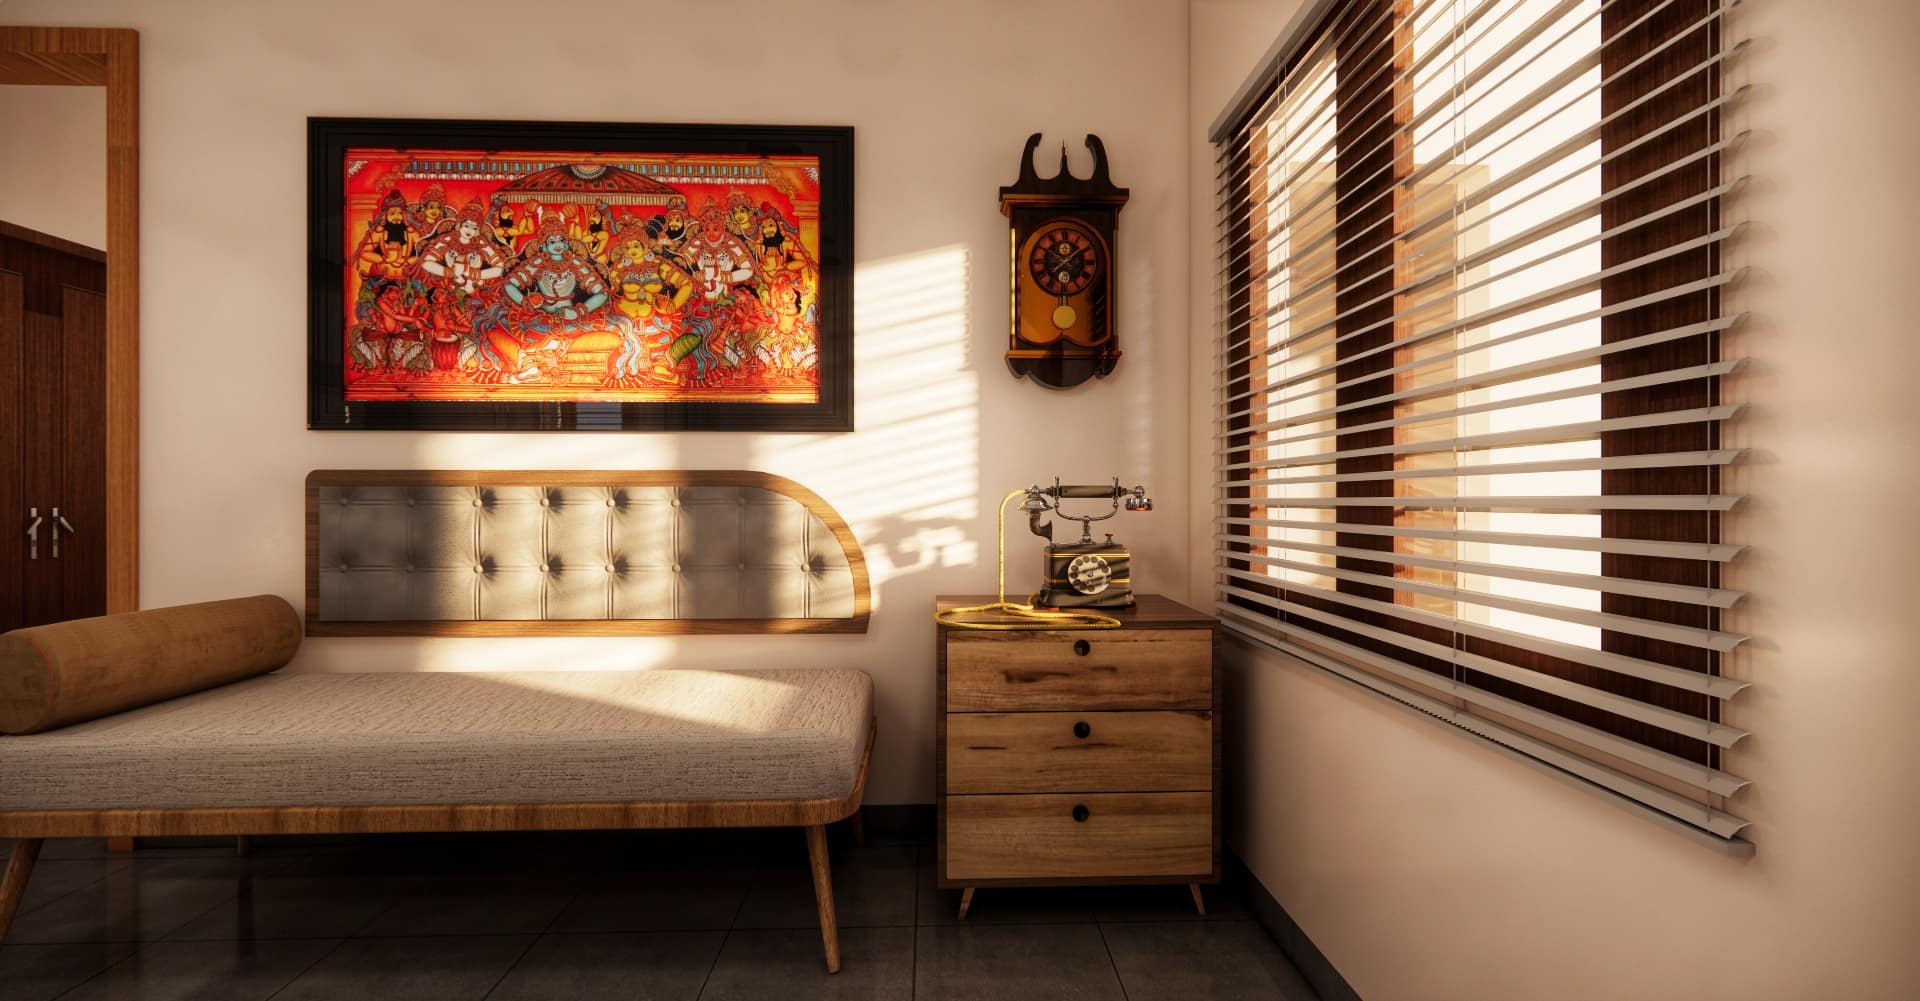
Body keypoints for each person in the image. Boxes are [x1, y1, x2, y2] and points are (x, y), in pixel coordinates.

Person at [503, 215, 608, 321]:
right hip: (540, 317)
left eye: (561, 240)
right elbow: (508, 284)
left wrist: (577, 312)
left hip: (569, 317)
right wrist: (524, 302)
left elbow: (602, 293)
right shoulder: (538, 263)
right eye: (552, 242)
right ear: (544, 246)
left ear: (566, 244)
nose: (558, 245)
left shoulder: (575, 263)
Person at [419, 201, 506, 294]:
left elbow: (501, 268)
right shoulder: (449, 239)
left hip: (474, 287)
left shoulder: (480, 242)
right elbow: (426, 262)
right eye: (466, 226)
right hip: (449, 287)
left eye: (474, 228)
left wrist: (475, 274)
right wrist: (450, 272)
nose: (470, 230)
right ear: (459, 225)